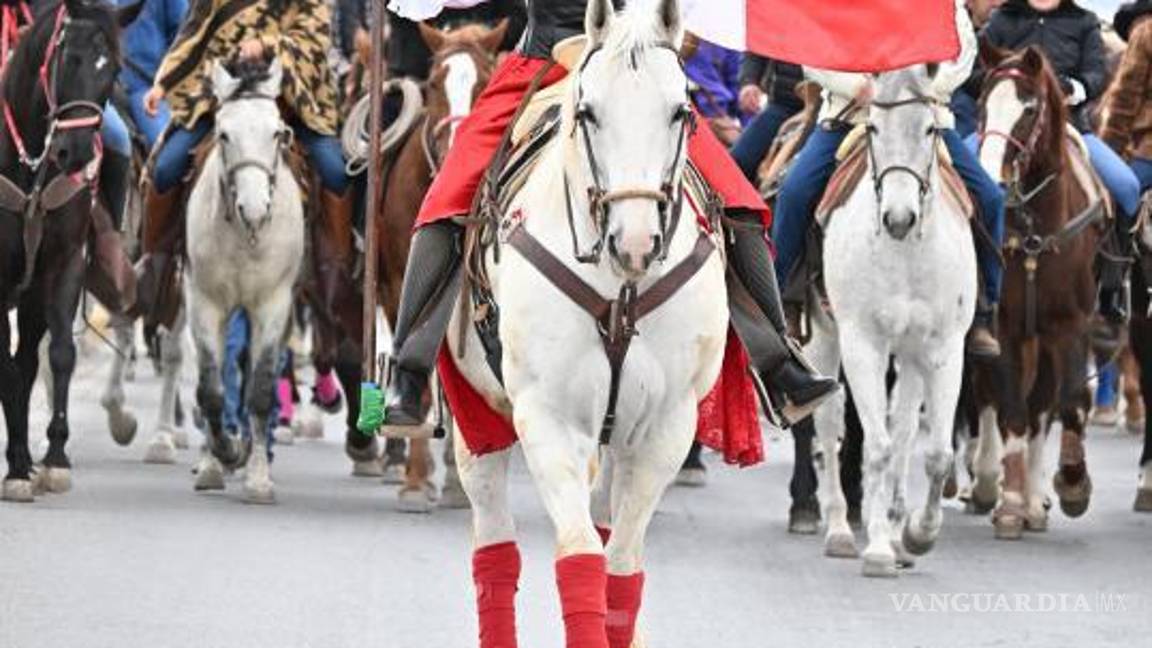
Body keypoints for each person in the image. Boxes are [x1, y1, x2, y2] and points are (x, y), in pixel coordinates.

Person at [382, 0, 838, 432]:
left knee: (738, 201)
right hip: (543, 68)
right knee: (445, 201)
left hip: (636, 72)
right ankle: (409, 373)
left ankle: (779, 362)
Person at [772, 0, 1006, 357]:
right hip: (851, 116)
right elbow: (813, 53)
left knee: (990, 198)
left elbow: (963, 49)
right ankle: (786, 300)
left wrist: (928, 88)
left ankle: (984, 312)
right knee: (793, 192)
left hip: (924, 117)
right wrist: (855, 87)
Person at [136, 0, 351, 321]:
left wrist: (266, 45)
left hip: (289, 102)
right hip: (222, 96)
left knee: (335, 171)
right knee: (166, 167)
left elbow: (314, 43)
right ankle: (156, 272)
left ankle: (334, 277)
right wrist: (162, 84)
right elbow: (193, 36)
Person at [984, 0, 1142, 324]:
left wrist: (1074, 87)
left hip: (1070, 126)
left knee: (1127, 188)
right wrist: (1003, 80)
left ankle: (1110, 288)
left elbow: (1097, 74)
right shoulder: (1002, 19)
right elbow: (975, 74)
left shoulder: (1084, 22)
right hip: (1005, 127)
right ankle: (976, 292)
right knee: (962, 183)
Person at [729, 54, 805, 181]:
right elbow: (757, 48)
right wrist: (749, 81)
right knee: (737, 165)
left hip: (832, 114)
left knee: (797, 186)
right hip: (783, 105)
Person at [1104, 0, 1152, 195]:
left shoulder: (1145, 32)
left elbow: (1126, 97)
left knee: (1113, 193)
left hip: (1147, 149)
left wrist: (1109, 148)